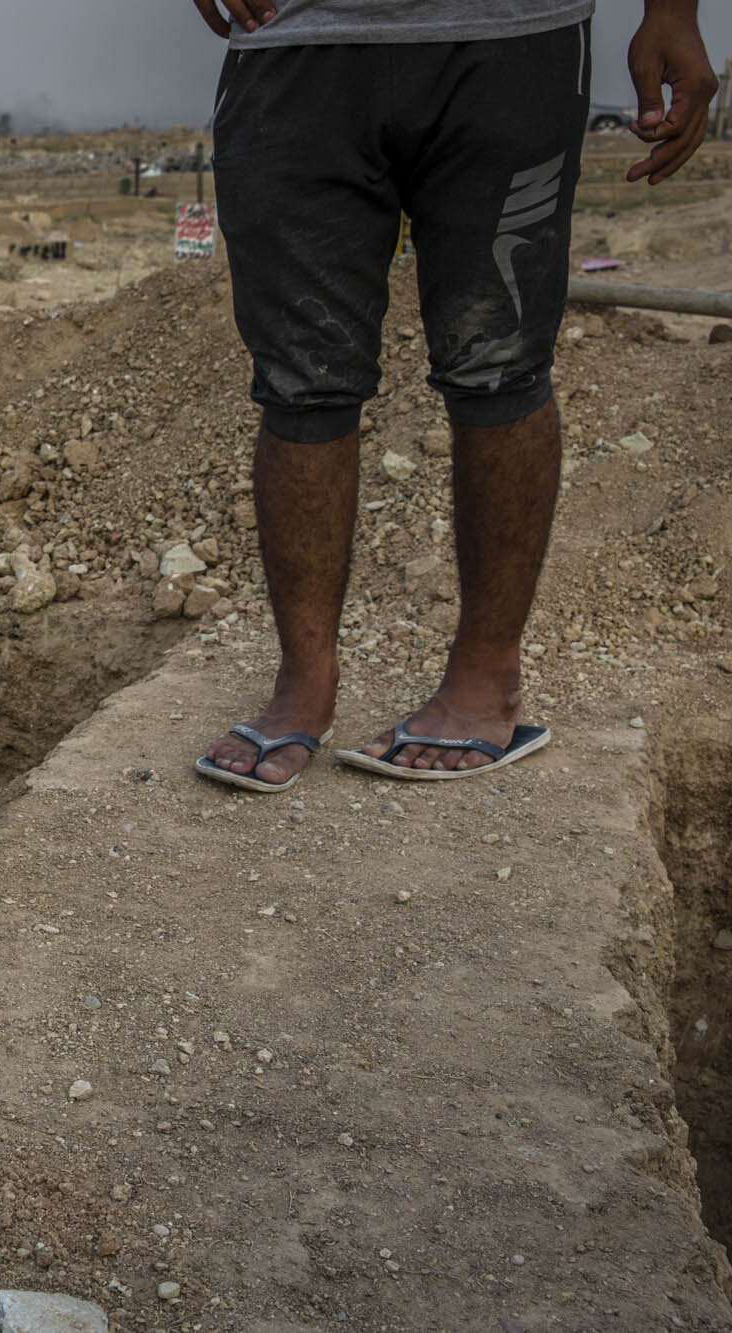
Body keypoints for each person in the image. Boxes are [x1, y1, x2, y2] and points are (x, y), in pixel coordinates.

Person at [190, 0, 718, 792]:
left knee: (498, 361)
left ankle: (484, 678)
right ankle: (303, 679)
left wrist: (672, 10)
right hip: (294, 39)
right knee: (301, 378)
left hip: (511, 38)